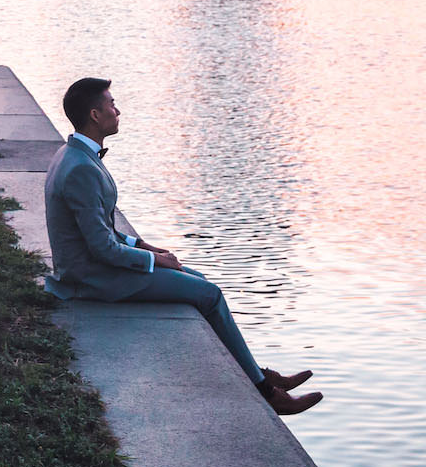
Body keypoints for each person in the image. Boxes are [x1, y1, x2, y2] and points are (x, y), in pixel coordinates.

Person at [44, 76, 321, 415]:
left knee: (200, 280)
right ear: (95, 115)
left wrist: (144, 244)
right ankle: (266, 391)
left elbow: (103, 229)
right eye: (111, 105)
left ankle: (257, 374)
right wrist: (155, 261)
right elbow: (102, 249)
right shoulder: (81, 169)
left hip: (97, 265)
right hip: (92, 277)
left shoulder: (74, 155)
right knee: (210, 294)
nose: (118, 110)